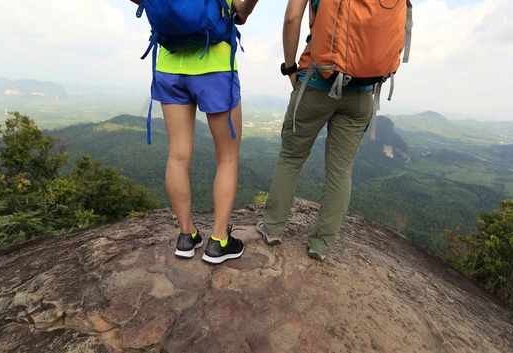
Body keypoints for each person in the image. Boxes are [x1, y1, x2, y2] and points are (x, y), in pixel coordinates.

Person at [256, 0, 412, 261]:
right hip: (363, 94)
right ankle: (322, 245)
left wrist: (290, 66)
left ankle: (273, 228)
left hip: (317, 82)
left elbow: (292, 18)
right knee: (340, 172)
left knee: (292, 158)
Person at [130, 0, 259, 264]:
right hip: (215, 66)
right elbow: (241, 12)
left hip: (169, 66)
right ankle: (219, 241)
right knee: (227, 157)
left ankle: (187, 236)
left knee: (178, 155)